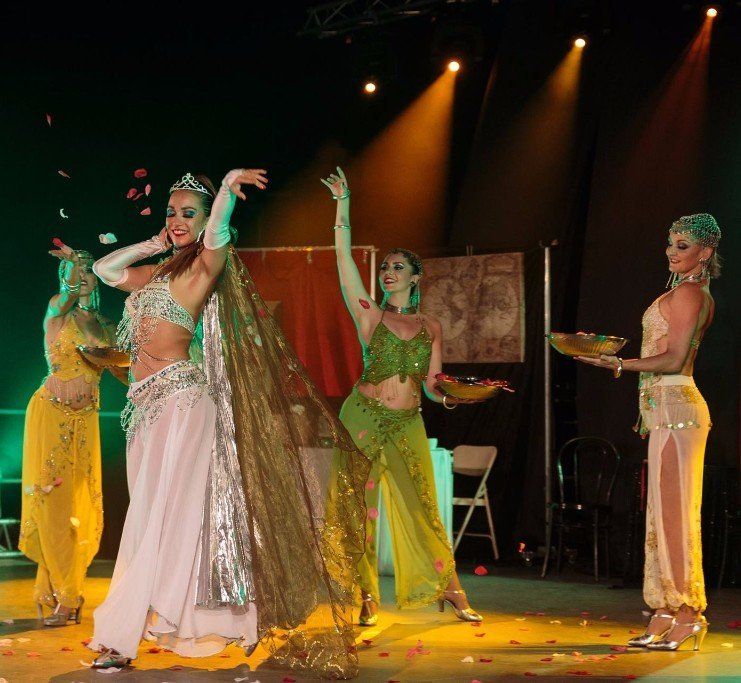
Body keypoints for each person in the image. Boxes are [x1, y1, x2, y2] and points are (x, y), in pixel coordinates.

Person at [89, 170, 369, 678]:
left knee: (157, 518)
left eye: (187, 213)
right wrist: (155, 242)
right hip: (142, 406)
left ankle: (119, 637)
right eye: (171, 212)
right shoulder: (157, 273)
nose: (178, 220)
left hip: (181, 400)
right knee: (157, 517)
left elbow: (217, 231)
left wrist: (223, 192)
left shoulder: (204, 269)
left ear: (204, 221)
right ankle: (213, 618)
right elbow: (105, 269)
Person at [322, 167, 482, 627]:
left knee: (422, 505)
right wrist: (343, 205)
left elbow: (432, 383)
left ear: (415, 277)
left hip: (408, 420)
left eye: (397, 267)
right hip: (363, 416)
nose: (387, 273)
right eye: (385, 267)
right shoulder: (369, 315)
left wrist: (450, 397)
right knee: (360, 506)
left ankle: (450, 588)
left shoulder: (431, 326)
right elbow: (344, 261)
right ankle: (366, 595)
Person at [577, 213, 720, 652]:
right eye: (670, 243)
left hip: (678, 407)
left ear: (705, 252)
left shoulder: (691, 294)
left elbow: (674, 359)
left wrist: (619, 364)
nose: (672, 252)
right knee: (660, 517)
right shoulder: (682, 292)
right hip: (665, 409)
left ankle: (688, 613)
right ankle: (663, 610)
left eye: (682, 245)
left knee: (676, 516)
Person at [20, 244, 116, 626]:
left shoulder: (105, 325)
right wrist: (73, 269)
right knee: (54, 508)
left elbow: (121, 364)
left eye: (89, 270)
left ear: (99, 279)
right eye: (76, 271)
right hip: (50, 418)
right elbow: (67, 296)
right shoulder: (57, 313)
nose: (82, 276)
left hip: (85, 424)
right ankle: (68, 597)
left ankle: (59, 590)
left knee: (81, 511)